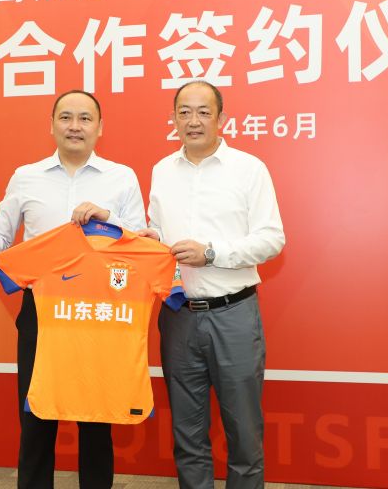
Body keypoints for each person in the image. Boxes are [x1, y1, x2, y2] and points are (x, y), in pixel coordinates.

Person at [0, 90, 145, 489]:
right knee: (36, 417)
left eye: (85, 118)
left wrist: (108, 218)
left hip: (99, 312)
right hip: (42, 311)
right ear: (51, 125)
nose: (74, 126)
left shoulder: (121, 177)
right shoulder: (26, 176)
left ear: (100, 128)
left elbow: (143, 239)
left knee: (96, 419)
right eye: (66, 117)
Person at [141, 80, 285, 489]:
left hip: (233, 314)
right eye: (184, 112)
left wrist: (212, 253)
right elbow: (158, 230)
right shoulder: (162, 171)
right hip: (178, 317)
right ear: (173, 119)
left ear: (221, 119)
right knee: (187, 435)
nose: (193, 121)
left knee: (244, 435)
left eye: (203, 112)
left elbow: (272, 239)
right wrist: (150, 239)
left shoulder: (249, 169)